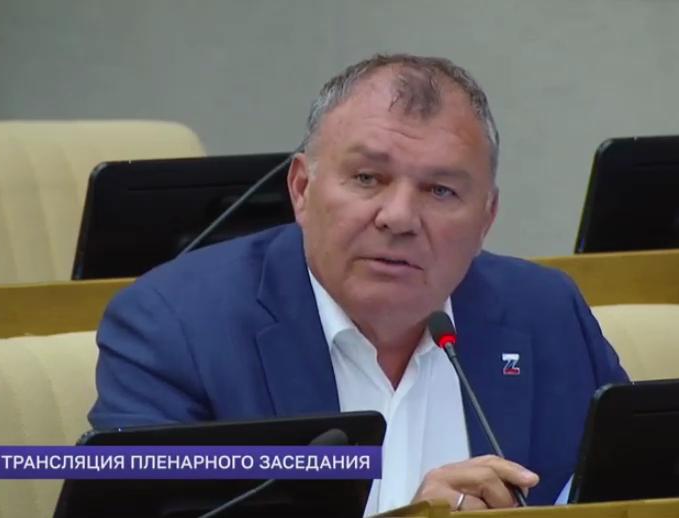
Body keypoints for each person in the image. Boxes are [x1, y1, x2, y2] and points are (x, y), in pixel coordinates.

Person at [89, 53, 628, 515]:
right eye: (368, 178)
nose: (399, 217)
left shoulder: (545, 312)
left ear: (486, 218)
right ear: (302, 189)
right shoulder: (176, 325)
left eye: (440, 191)